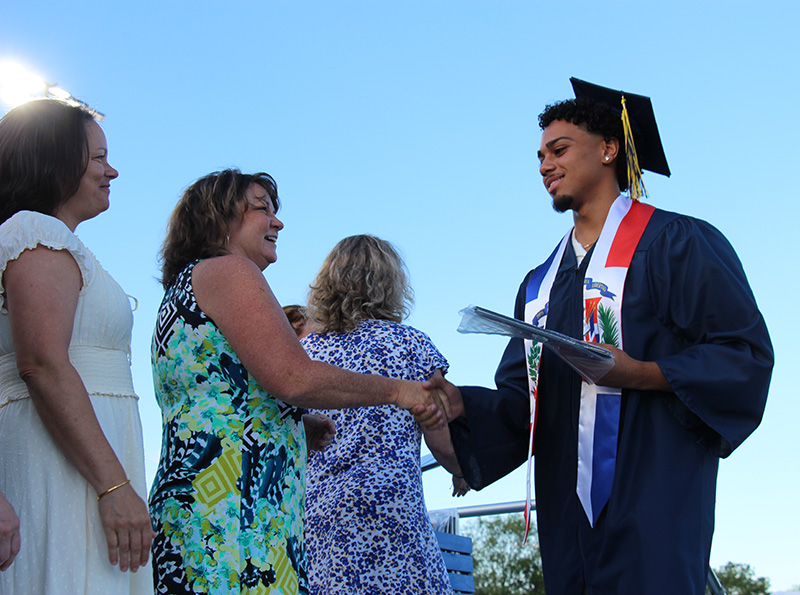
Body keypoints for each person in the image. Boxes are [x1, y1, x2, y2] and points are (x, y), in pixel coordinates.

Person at [431, 79, 774, 595]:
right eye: (540, 155)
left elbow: (743, 355)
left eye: (560, 149)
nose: (545, 164)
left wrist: (641, 373)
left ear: (610, 149)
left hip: (654, 500)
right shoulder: (539, 285)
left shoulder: (677, 244)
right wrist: (458, 409)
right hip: (565, 518)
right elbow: (521, 403)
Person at [149, 171, 446, 595]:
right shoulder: (231, 271)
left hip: (202, 501)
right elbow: (293, 377)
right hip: (233, 514)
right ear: (220, 217)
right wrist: (398, 390)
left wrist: (294, 425)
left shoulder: (185, 288)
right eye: (262, 209)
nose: (278, 222)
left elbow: (215, 398)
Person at [0, 99, 153, 593]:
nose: (112, 170)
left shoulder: (56, 241)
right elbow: (42, 363)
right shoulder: (35, 231)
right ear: (55, 161)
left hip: (85, 465)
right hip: (64, 470)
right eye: (97, 158)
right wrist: (114, 486)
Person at [301, 234, 461, 594]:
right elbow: (439, 434)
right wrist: (460, 469)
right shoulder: (411, 344)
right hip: (391, 512)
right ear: (391, 285)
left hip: (320, 516)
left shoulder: (302, 355)